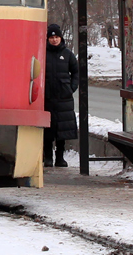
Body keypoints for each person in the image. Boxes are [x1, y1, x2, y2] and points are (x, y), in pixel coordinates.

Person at [44, 23, 79, 168]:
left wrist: (71, 88)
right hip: (46, 98)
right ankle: (48, 158)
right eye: (51, 37)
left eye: (57, 37)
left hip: (63, 99)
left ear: (61, 38)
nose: (54, 40)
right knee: (47, 129)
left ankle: (60, 158)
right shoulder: (42, 53)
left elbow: (76, 72)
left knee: (62, 130)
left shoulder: (68, 54)